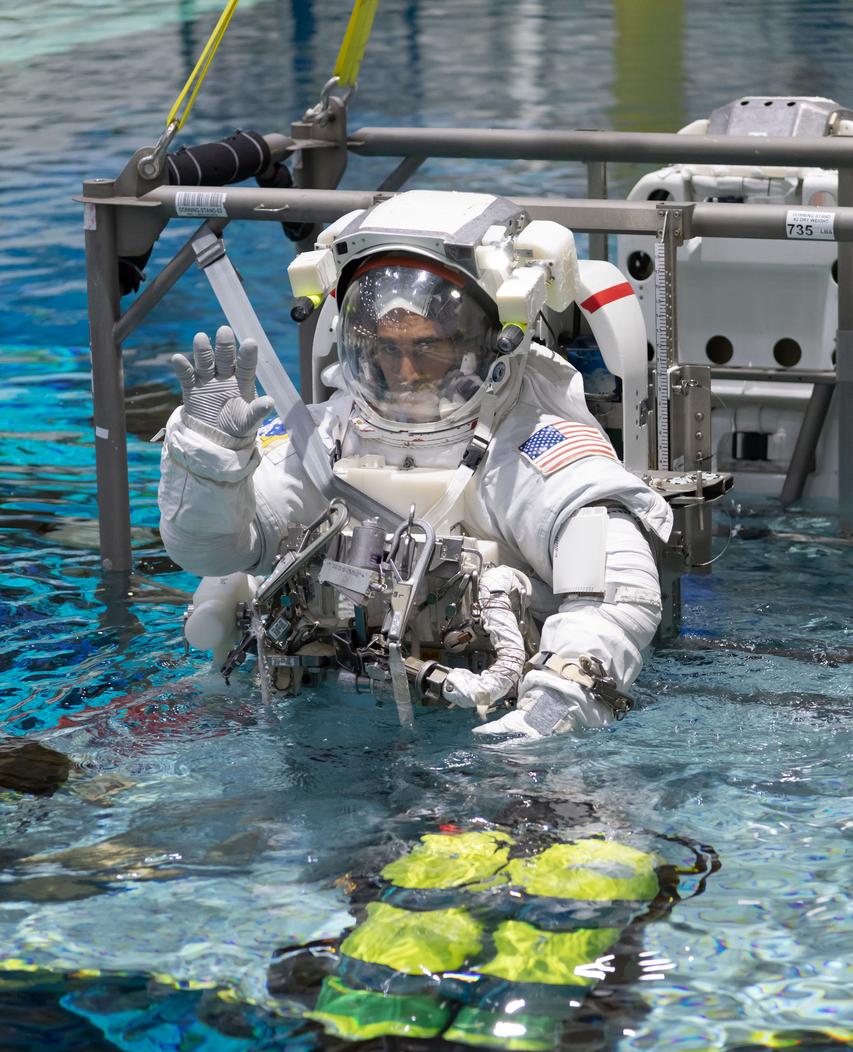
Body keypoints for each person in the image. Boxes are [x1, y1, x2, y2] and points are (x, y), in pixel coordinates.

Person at [158, 190, 673, 739]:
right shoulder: (324, 439)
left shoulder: (532, 447)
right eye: (383, 347)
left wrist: (547, 718)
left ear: (490, 342)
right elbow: (214, 550)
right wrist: (210, 463)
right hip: (324, 718)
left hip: (489, 725)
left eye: (428, 348)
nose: (404, 371)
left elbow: (618, 601)